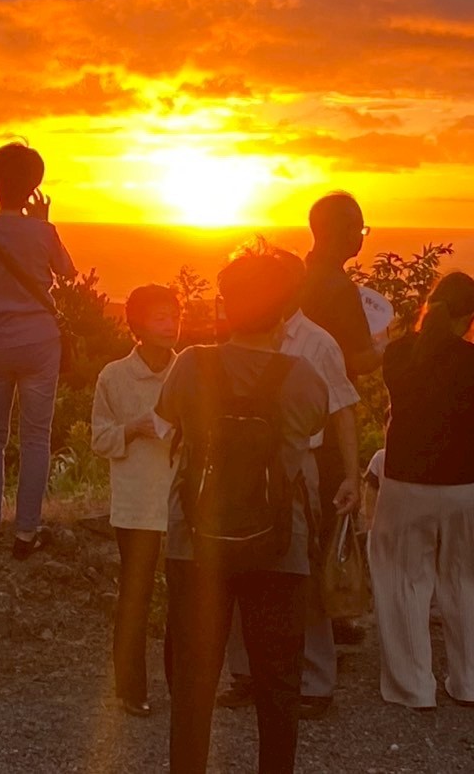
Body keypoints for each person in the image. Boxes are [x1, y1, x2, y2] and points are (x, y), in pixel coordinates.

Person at [156, 246, 329, 774]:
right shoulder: (303, 378)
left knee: (193, 682)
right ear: (282, 311)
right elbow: (313, 435)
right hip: (280, 544)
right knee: (278, 685)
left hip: (196, 539)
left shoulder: (190, 365)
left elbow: (168, 420)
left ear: (227, 306)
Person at [217, 250, 360, 718]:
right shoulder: (240, 333)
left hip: (299, 463)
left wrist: (353, 475)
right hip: (239, 464)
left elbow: (342, 407)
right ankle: (246, 674)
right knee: (238, 560)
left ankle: (315, 681)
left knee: (299, 567)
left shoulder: (318, 342)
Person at [369, 272, 474, 710]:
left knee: (404, 579)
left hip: (406, 479)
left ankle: (413, 686)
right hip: (465, 480)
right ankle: (469, 683)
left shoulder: (398, 353)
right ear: (471, 316)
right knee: (469, 582)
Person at [0, 143, 76, 559]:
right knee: (35, 438)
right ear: (35, 185)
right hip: (39, 343)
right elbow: (67, 271)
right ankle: (26, 531)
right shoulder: (44, 232)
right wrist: (43, 224)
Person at [91, 284, 180, 717]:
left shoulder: (190, 372)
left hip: (183, 501)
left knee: (186, 600)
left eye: (174, 314)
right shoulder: (113, 376)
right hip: (135, 502)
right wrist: (133, 429)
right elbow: (99, 438)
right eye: (160, 316)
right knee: (136, 597)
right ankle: (131, 689)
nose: (171, 324)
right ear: (138, 326)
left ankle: (184, 686)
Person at [300, 191, 379, 645]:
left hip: (294, 409)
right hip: (330, 416)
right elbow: (360, 360)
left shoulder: (300, 278)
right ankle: (329, 613)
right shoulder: (340, 289)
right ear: (339, 231)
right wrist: (387, 347)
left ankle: (313, 611)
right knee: (334, 510)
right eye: (359, 229)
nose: (361, 238)